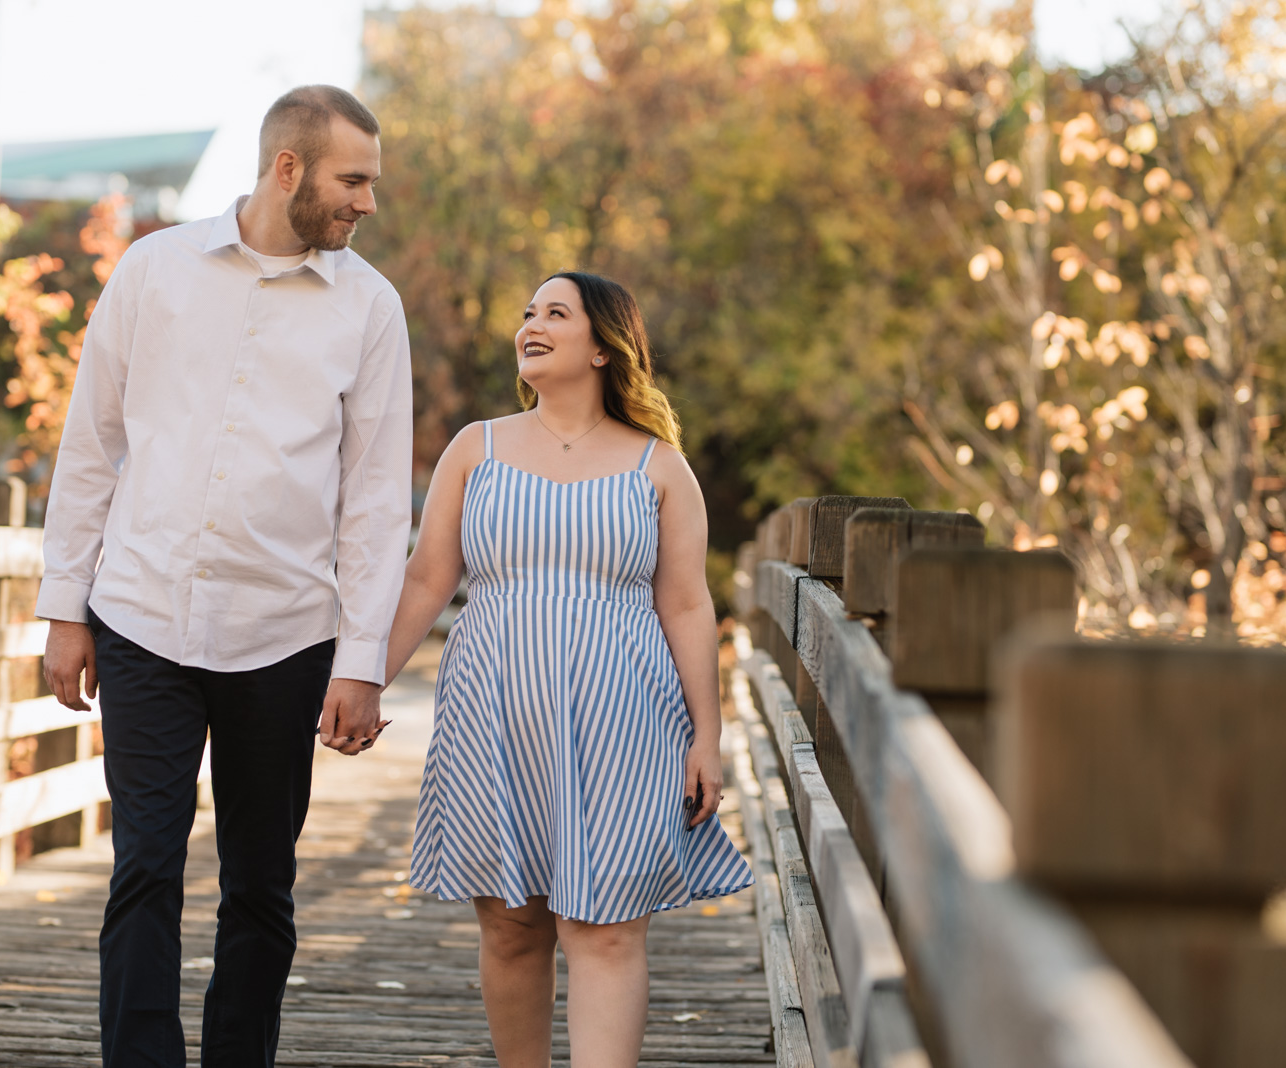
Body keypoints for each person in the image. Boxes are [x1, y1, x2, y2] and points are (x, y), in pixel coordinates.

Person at [36, 85, 411, 1068]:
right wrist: (62, 609)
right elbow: (91, 447)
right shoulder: (154, 270)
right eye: (353, 180)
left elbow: (374, 500)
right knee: (144, 868)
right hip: (140, 615)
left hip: (283, 636)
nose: (367, 202)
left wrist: (360, 660)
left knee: (258, 886)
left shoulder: (371, 308)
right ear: (287, 169)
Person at [381, 271, 752, 1067]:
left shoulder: (659, 467)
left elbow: (688, 607)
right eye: (527, 313)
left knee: (606, 926)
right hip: (493, 713)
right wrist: (359, 681)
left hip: (624, 715)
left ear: (601, 347)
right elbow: (425, 579)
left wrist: (706, 738)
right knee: (513, 924)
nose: (532, 325)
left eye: (557, 313)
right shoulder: (474, 448)